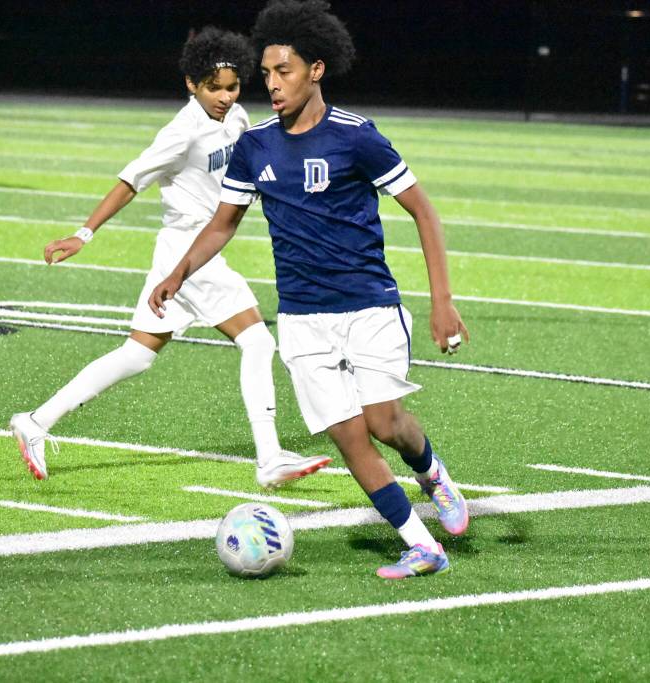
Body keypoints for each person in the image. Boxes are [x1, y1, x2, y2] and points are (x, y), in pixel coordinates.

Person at [149, 0, 470, 580]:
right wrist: (178, 273)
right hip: (301, 318)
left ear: (316, 70)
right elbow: (223, 222)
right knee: (349, 438)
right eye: (266, 74)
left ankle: (430, 472)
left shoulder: (358, 137)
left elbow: (424, 213)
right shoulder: (256, 146)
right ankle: (421, 545)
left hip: (370, 306)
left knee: (385, 423)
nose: (270, 85)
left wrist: (441, 303)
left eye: (284, 72)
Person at [9, 27, 331, 489]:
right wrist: (84, 233)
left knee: (137, 355)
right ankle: (269, 457)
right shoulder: (180, 132)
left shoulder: (236, 116)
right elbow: (130, 181)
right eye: (212, 87)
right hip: (189, 254)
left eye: (231, 86)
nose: (224, 96)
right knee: (258, 342)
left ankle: (36, 421)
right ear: (191, 85)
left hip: (182, 254)